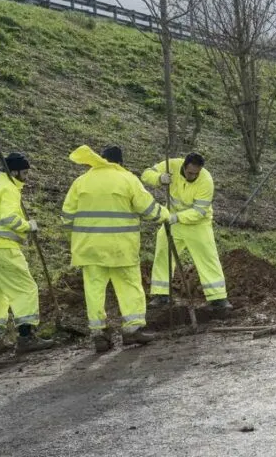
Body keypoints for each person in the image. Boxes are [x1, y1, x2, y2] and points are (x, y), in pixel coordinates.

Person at [61, 145, 170, 353]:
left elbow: (67, 217)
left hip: (89, 249)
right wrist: (166, 215)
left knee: (94, 291)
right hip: (121, 248)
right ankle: (133, 330)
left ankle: (98, 334)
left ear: (101, 159)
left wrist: (77, 239)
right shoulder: (127, 179)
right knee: (129, 286)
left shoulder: (81, 181)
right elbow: (147, 209)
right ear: (120, 162)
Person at [0, 152, 55, 355]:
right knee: (25, 288)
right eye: (25, 172)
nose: (26, 177)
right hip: (2, 247)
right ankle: (26, 337)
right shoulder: (9, 188)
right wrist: (29, 226)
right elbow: (9, 218)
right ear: (15, 171)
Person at [142, 153, 232, 309]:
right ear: (184, 166)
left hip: (197, 224)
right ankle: (161, 294)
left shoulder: (206, 181)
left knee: (207, 257)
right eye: (190, 173)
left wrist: (176, 217)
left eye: (196, 173)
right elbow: (146, 174)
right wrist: (160, 178)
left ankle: (218, 299)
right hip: (173, 222)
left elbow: (199, 212)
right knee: (163, 252)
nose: (193, 176)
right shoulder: (172, 165)